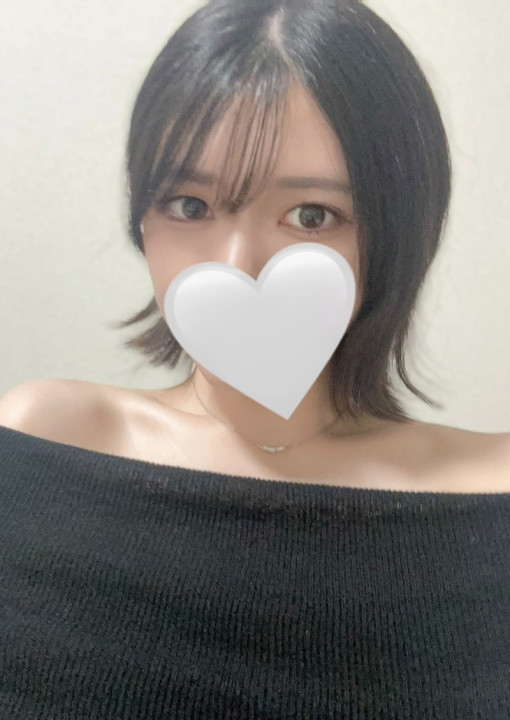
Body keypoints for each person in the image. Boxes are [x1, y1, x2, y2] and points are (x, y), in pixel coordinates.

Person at [1, 1, 509, 717]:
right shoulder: (40, 443)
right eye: (190, 205)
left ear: (399, 232)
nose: (237, 264)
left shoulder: (494, 494)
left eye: (311, 216)